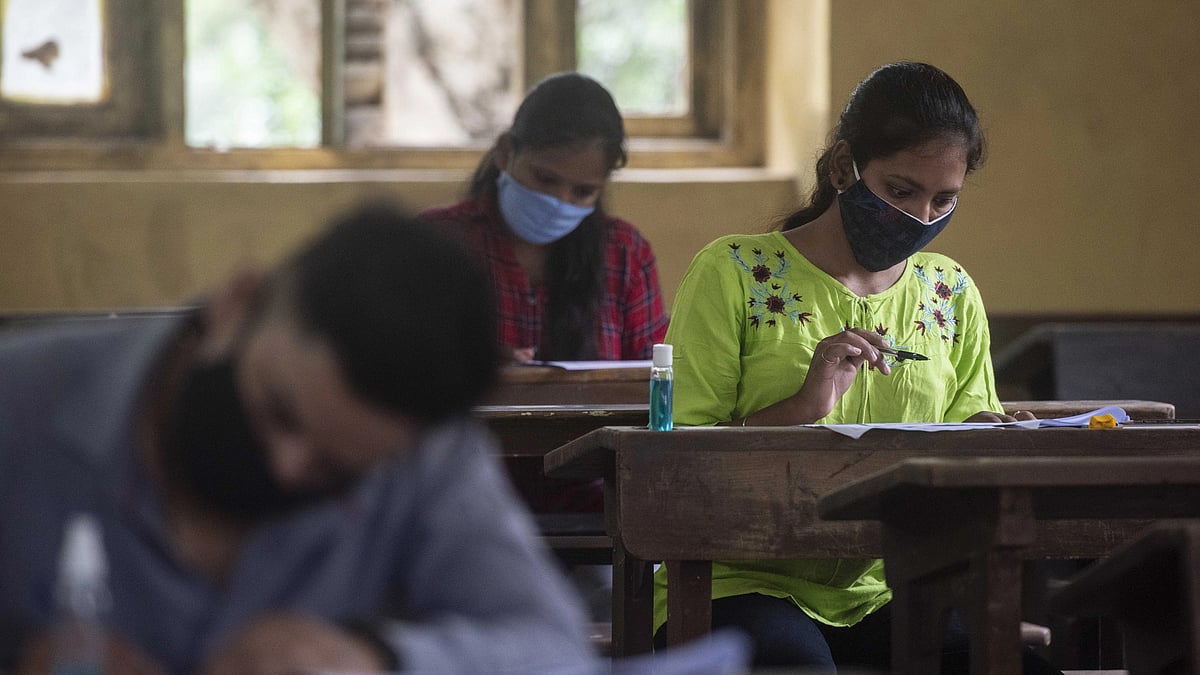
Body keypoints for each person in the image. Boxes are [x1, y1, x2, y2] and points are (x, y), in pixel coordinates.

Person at [0, 204, 595, 674]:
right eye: (277, 412)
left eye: (336, 467)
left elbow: (556, 650)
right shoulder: (22, 402)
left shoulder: (428, 454)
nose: (286, 467)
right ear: (238, 303)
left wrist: (374, 659)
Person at [652, 62, 1060, 673]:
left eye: (944, 200)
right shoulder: (734, 272)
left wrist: (992, 434)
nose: (922, 216)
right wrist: (801, 410)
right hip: (737, 577)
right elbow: (675, 464)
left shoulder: (949, 291)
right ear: (844, 166)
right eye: (900, 191)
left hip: (890, 586)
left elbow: (962, 431)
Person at [421, 72, 668, 364]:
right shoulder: (435, 243)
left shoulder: (625, 254)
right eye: (545, 179)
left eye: (583, 191)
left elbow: (654, 382)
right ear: (505, 152)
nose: (560, 202)